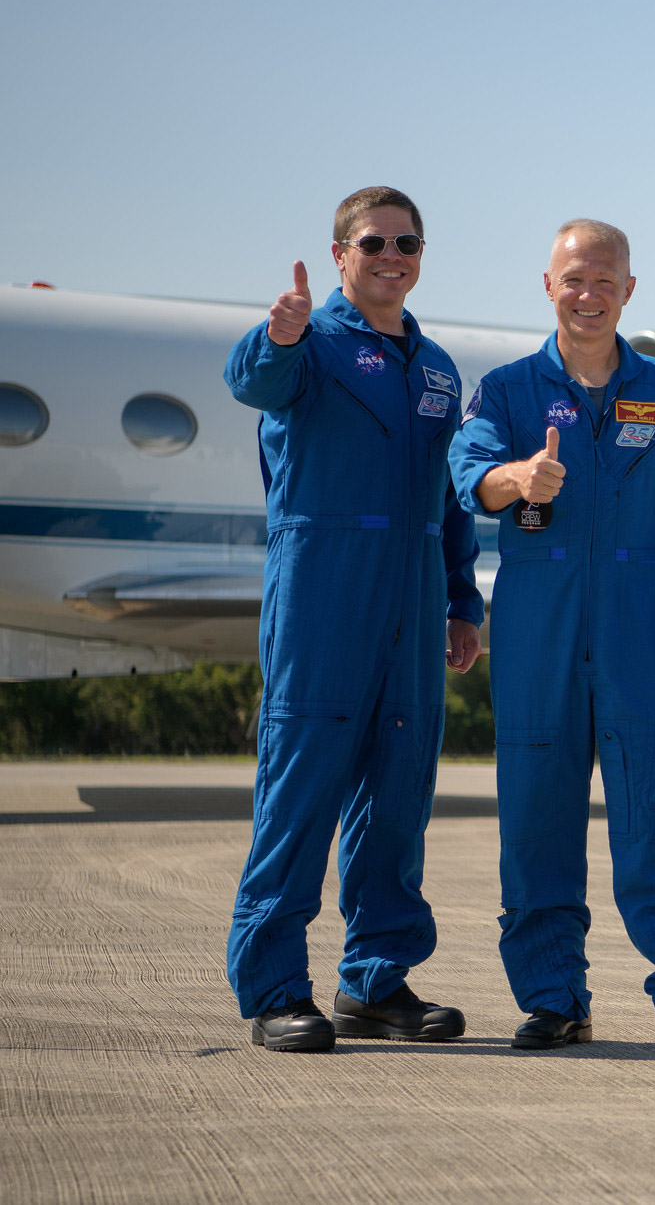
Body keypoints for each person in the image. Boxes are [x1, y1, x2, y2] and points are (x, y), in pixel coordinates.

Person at [449, 219, 655, 1054]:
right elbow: (468, 477)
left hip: (639, 627)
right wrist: (516, 478)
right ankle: (552, 998)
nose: (587, 294)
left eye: (604, 281)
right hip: (537, 629)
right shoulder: (507, 390)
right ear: (548, 286)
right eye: (573, 279)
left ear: (628, 292)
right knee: (536, 815)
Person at [223, 187, 485, 1052]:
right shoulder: (309, 345)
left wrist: (460, 598)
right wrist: (282, 332)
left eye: (407, 242)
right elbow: (252, 381)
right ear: (341, 253)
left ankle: (375, 982)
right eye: (373, 242)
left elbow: (450, 501)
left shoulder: (440, 369)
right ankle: (272, 987)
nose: (392, 255)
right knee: (301, 786)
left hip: (413, 593)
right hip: (324, 589)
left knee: (398, 788)